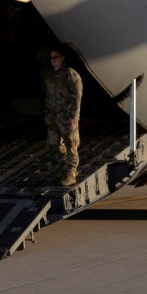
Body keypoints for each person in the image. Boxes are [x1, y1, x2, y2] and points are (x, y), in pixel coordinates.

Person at [45, 44, 83, 187]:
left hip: (67, 117)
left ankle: (71, 172)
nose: (53, 60)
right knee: (53, 145)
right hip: (54, 116)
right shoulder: (50, 76)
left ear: (62, 58)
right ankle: (67, 165)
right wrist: (48, 115)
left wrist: (74, 116)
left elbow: (77, 97)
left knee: (71, 144)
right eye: (51, 58)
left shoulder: (70, 75)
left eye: (56, 57)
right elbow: (48, 97)